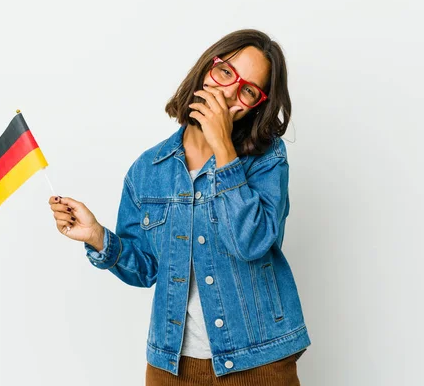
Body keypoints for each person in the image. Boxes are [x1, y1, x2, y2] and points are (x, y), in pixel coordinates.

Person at [48, 29, 311, 386]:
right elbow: (145, 270)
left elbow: (251, 243)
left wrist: (224, 150)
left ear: (256, 106)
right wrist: (97, 237)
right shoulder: (148, 169)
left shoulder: (267, 160)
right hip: (171, 367)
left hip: (259, 360)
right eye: (225, 72)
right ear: (207, 70)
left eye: (248, 90)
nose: (229, 91)